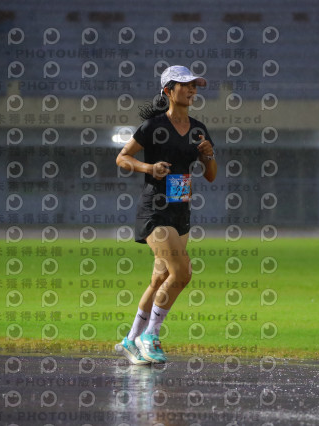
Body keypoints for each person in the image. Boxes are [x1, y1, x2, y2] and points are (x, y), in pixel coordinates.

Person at [115, 65, 217, 364]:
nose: (192, 89)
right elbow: (122, 157)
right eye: (186, 85)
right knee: (182, 273)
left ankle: (130, 339)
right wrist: (149, 167)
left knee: (161, 278)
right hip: (155, 211)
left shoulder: (198, 129)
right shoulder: (153, 126)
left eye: (194, 85)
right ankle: (151, 336)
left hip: (181, 210)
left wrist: (208, 155)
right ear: (168, 91)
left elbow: (211, 175)